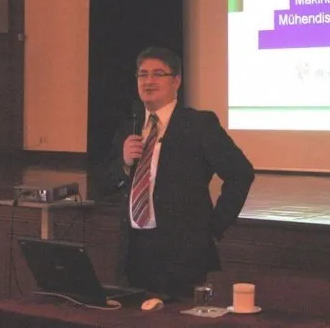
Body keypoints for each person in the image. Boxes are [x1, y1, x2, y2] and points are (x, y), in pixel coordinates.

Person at [101, 46, 255, 298]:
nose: (148, 81)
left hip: (182, 254)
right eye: (142, 74)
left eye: (158, 74)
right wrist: (124, 163)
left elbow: (241, 173)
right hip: (135, 252)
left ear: (176, 81)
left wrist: (213, 226)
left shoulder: (198, 124)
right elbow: (105, 183)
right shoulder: (130, 127)